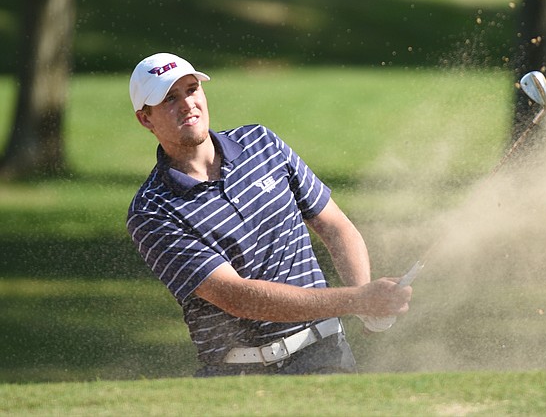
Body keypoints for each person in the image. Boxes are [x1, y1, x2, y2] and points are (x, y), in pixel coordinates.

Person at [126, 52, 412, 377]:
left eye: (192, 89)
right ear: (145, 119)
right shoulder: (152, 210)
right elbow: (237, 297)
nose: (188, 104)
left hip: (324, 355)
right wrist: (357, 300)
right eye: (169, 99)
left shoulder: (262, 144)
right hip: (239, 376)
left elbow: (334, 226)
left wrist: (366, 301)